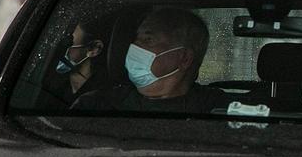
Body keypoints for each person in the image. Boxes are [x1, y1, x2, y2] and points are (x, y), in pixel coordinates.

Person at [72, 7, 226, 113]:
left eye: (148, 39)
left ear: (185, 58)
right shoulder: (96, 106)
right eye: (136, 39)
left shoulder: (219, 110)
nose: (134, 46)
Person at [46, 16, 113, 106]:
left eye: (70, 42)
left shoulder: (102, 96)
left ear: (94, 49)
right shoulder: (53, 83)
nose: (63, 47)